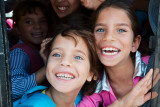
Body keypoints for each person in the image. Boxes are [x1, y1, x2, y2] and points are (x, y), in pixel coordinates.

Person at [14, 24, 158, 107]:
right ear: (47, 63)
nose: (65, 62)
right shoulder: (36, 104)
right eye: (56, 54)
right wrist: (123, 103)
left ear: (92, 73)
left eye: (78, 57)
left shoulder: (77, 98)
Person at [78, 0, 160, 106]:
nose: (108, 37)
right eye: (100, 30)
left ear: (134, 43)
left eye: (121, 30)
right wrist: (123, 103)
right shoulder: (95, 86)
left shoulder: (154, 66)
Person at [10, 0, 49, 101]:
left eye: (42, 21)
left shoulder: (40, 49)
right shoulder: (19, 53)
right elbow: (13, 89)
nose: (37, 26)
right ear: (17, 29)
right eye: (29, 22)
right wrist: (46, 69)